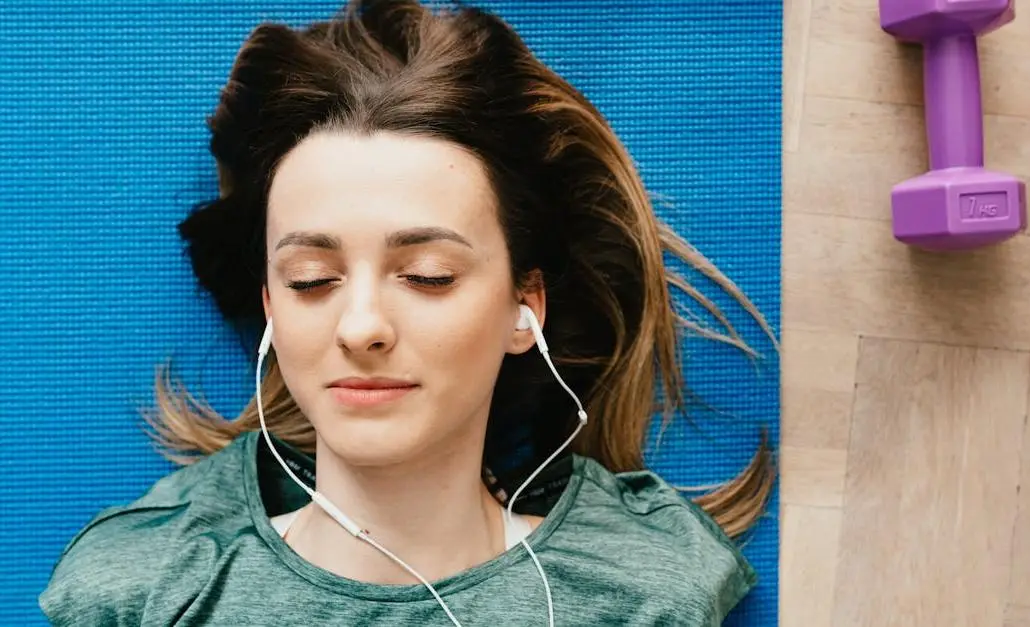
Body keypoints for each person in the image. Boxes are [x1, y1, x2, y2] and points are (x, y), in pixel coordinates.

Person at [38, 1, 776, 624]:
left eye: (426, 275)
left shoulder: (643, 589)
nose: (361, 327)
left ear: (525, 307)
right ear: (269, 307)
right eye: (311, 278)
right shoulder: (144, 585)